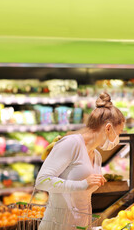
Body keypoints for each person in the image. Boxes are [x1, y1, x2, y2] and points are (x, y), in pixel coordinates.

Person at [35, 92, 125, 229]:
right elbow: (42, 181)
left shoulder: (97, 156)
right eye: (118, 133)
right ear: (108, 128)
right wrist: (82, 184)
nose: (117, 139)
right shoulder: (71, 144)